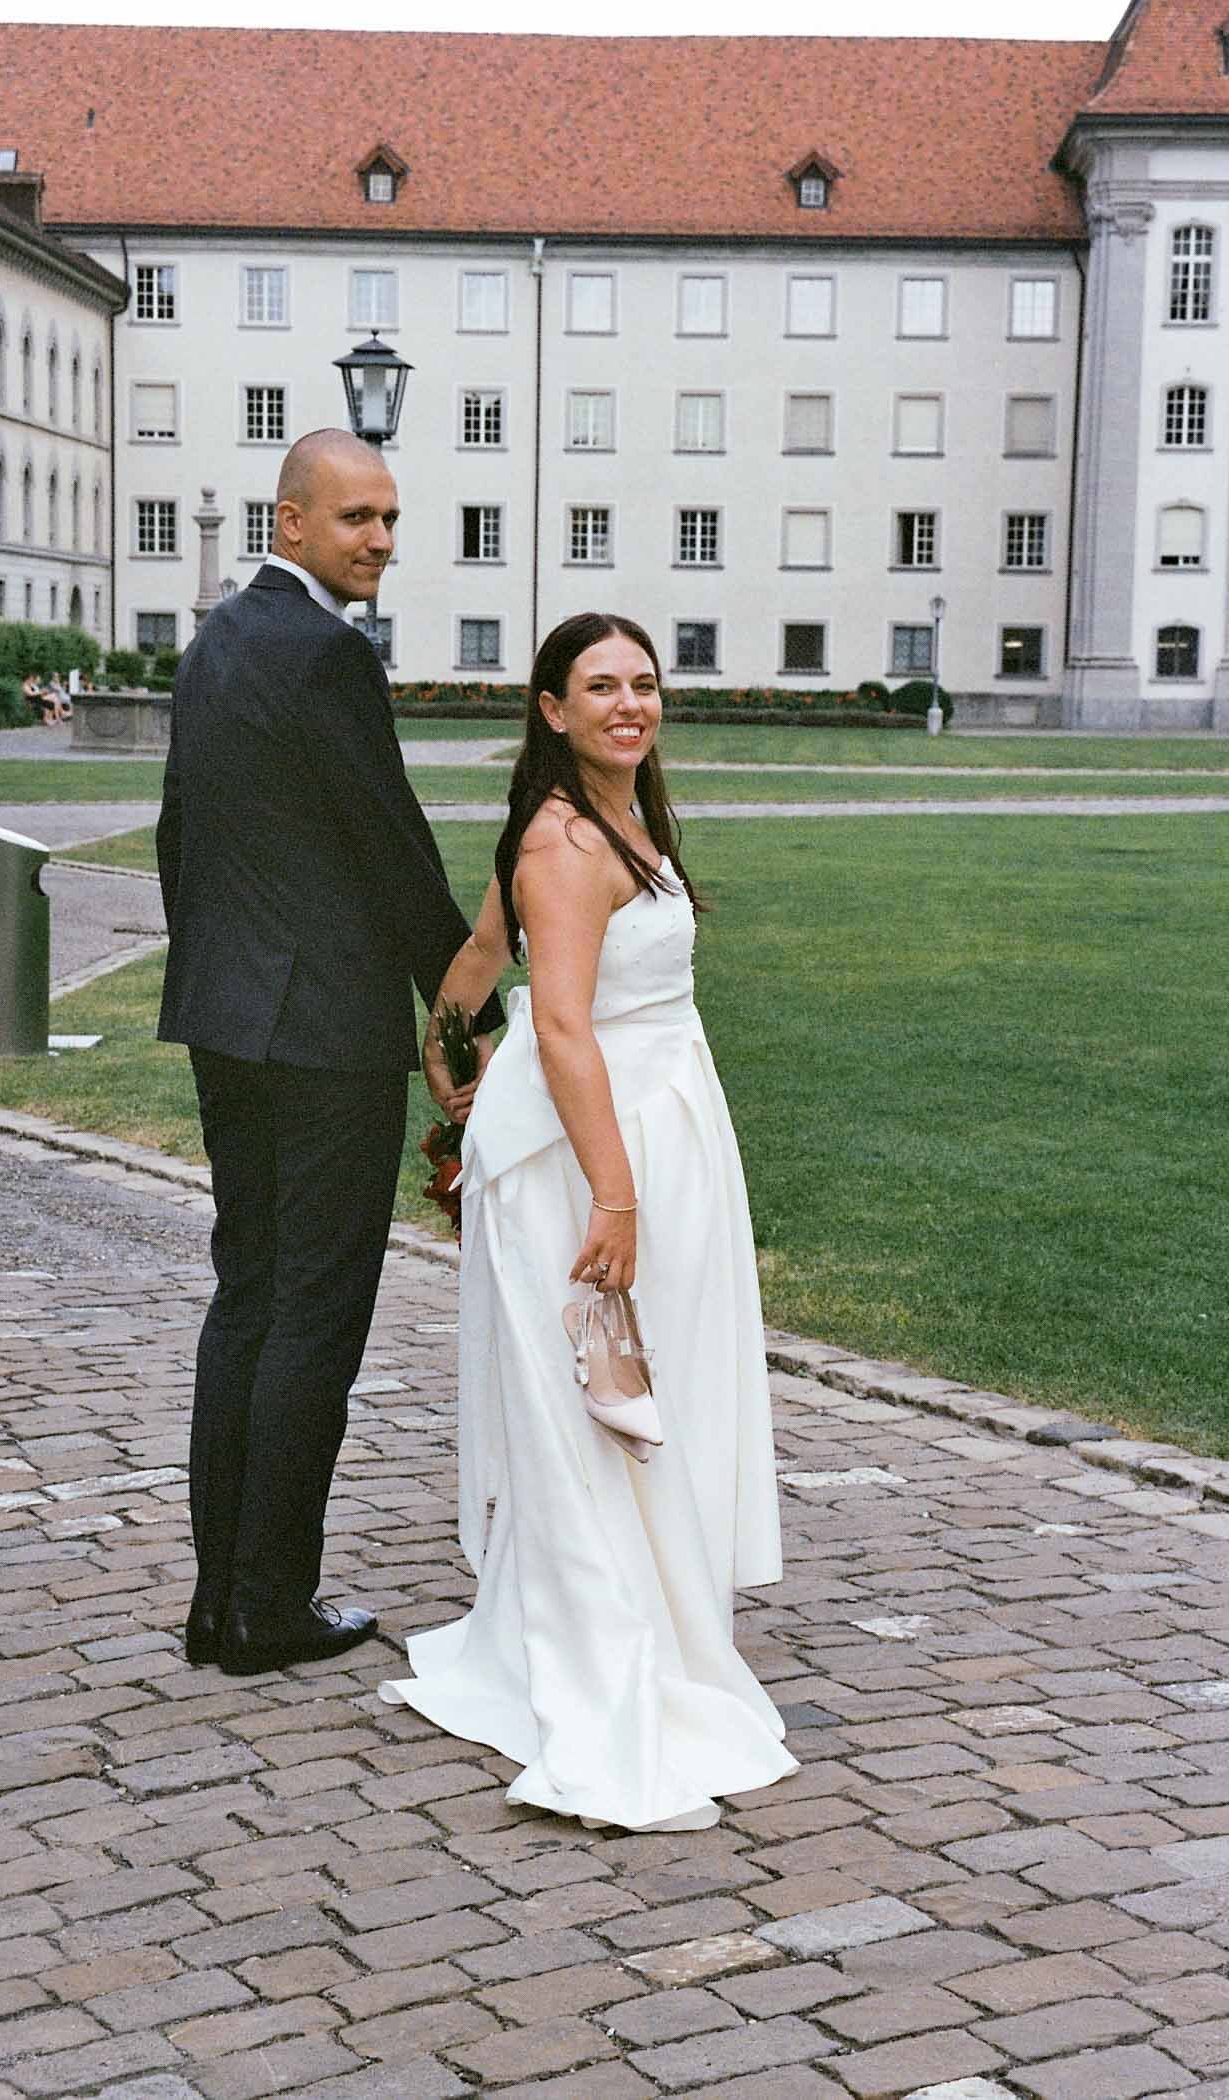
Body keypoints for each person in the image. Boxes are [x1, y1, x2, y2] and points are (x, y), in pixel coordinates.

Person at [384, 612, 797, 1831]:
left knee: (641, 1385)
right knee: (597, 1391)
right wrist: (612, 1196)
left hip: (655, 1117)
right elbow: (560, 1023)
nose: (628, 704)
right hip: (592, 1144)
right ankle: (602, 1646)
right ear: (551, 709)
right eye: (600, 686)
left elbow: (482, 950)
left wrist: (445, 1045)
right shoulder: (563, 838)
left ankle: (653, 1606)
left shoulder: (617, 815)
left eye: (643, 684)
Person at [157, 427, 503, 1678]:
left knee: (248, 1296)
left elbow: (179, 836)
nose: (381, 541)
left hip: (228, 1020)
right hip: (322, 1035)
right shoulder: (327, 653)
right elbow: (389, 842)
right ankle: (269, 1604)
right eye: (357, 517)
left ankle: (222, 1603)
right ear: (290, 521)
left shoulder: (215, 641)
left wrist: (217, 973)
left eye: (390, 518)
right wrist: (465, 1015)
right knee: (312, 1312)